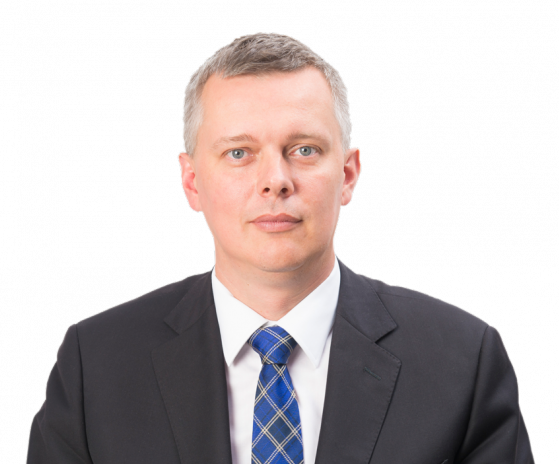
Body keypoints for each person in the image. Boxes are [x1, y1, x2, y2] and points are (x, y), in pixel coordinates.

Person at [27, 32, 534, 464]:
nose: (276, 180)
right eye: (239, 152)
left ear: (348, 175)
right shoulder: (95, 363)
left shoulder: (463, 359)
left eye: (304, 149)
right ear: (192, 182)